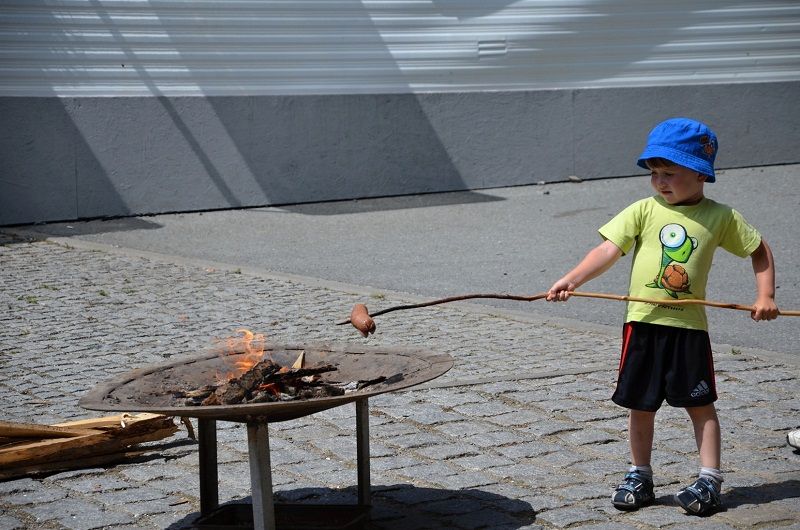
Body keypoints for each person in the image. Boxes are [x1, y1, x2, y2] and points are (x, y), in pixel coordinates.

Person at [546, 117, 779, 515]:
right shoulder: (643, 210)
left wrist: (765, 295)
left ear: (701, 173)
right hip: (642, 326)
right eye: (654, 173)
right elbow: (607, 250)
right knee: (640, 405)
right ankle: (639, 474)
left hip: (688, 329)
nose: (659, 182)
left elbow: (759, 250)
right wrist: (573, 279)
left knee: (700, 405)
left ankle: (710, 479)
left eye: (669, 173)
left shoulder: (721, 217)